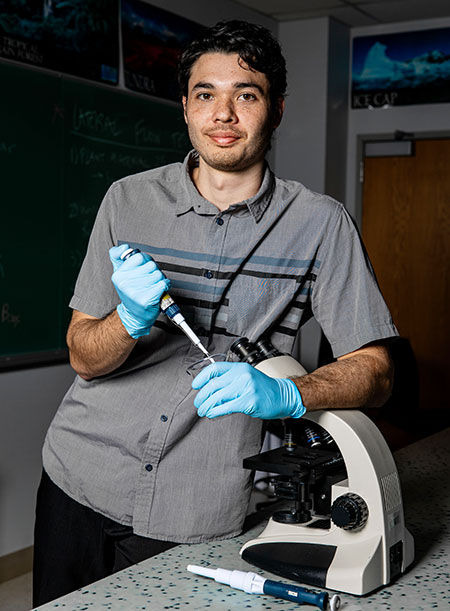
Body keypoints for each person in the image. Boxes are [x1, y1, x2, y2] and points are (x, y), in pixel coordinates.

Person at [33, 20, 397, 606]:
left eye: (245, 95)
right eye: (206, 94)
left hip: (199, 503)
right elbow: (83, 356)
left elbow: (377, 372)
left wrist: (290, 394)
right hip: (78, 476)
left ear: (275, 110)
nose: (223, 114)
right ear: (184, 107)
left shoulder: (320, 223)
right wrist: (127, 318)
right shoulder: (127, 200)